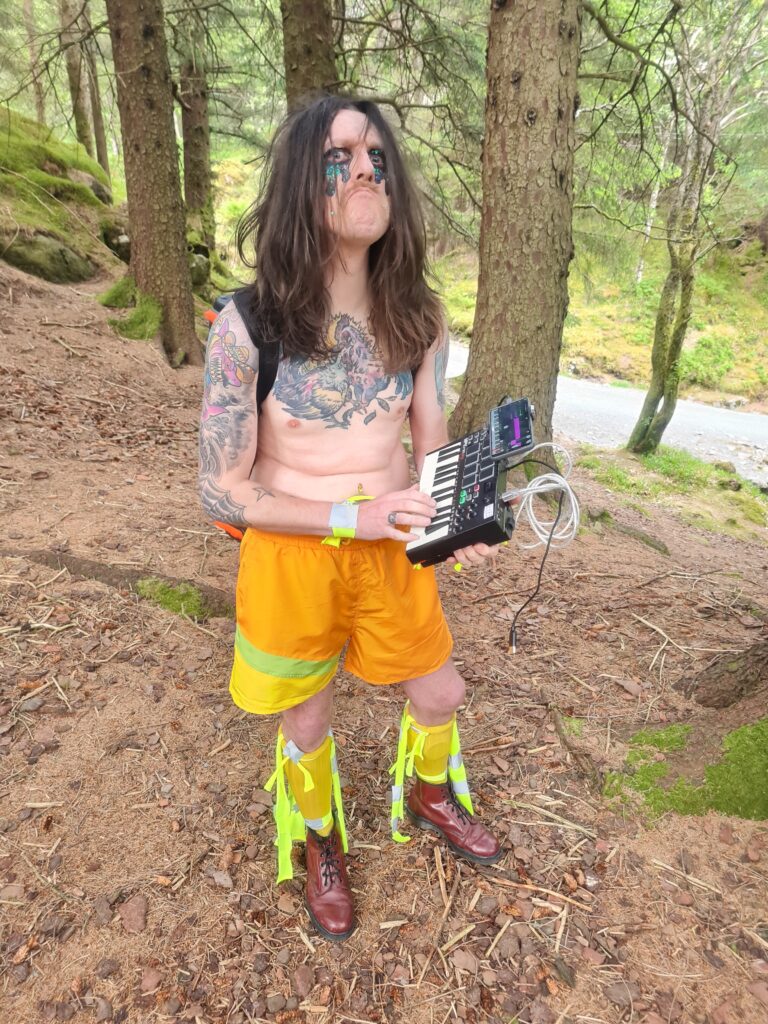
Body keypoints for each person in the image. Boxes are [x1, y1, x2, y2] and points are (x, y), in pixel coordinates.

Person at [198, 95, 502, 942]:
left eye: (376, 156)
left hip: (394, 547)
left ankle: (431, 791)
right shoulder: (246, 326)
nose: (366, 168)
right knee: (306, 714)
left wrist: (458, 521)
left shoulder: (421, 318)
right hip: (294, 552)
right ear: (301, 181)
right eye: (339, 157)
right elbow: (221, 490)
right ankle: (318, 834)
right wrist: (348, 518)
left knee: (441, 689)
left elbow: (430, 446)